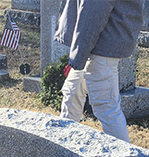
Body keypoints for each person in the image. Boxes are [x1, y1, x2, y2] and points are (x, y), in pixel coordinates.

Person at [53, 0, 143, 143]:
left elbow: (91, 16)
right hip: (100, 42)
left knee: (106, 107)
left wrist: (77, 58)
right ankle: (63, 145)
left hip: (101, 45)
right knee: (72, 92)